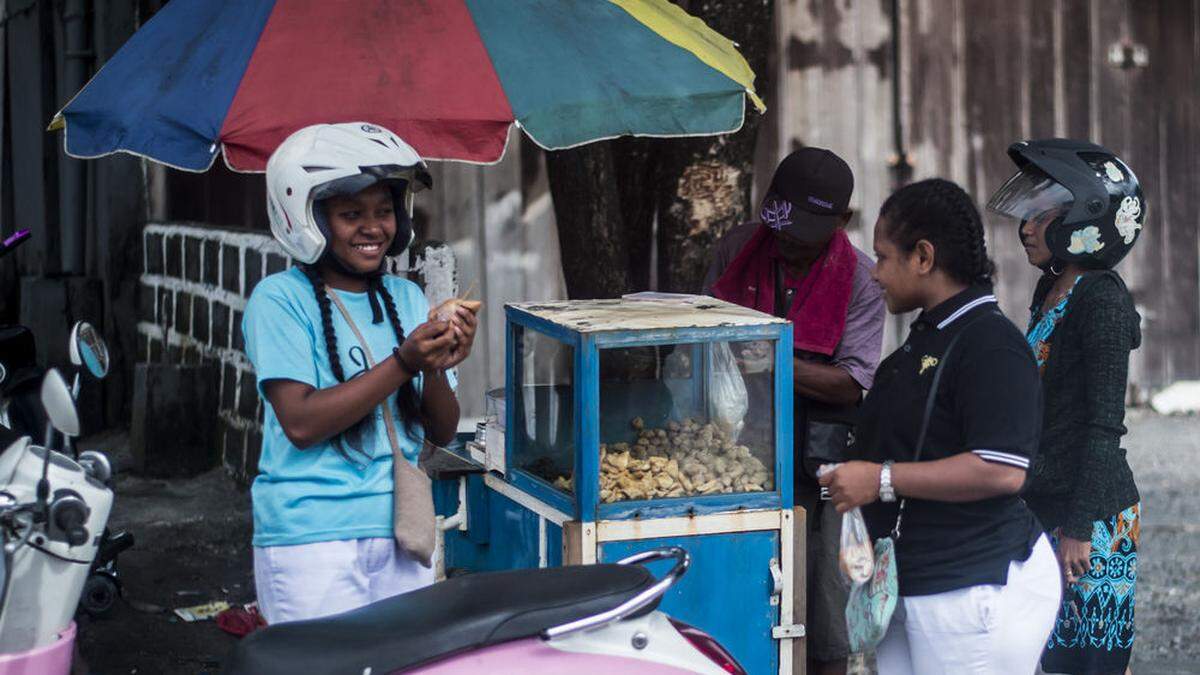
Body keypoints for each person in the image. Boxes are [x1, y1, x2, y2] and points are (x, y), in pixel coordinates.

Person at [821, 178, 1060, 674]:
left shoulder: (990, 345)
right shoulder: (931, 334)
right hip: (916, 581)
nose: (874, 274)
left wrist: (880, 479)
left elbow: (1000, 470)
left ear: (923, 257)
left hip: (971, 589)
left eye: (884, 257)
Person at [243, 123, 477, 625]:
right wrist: (403, 363)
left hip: (400, 529)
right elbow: (301, 424)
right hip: (309, 542)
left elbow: (440, 431)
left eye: (384, 211)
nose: (373, 228)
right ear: (306, 219)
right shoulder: (279, 301)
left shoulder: (407, 299)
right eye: (351, 214)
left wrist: (436, 366)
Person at [704, 147, 885, 675]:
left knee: (825, 612)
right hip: (734, 459)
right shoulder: (736, 251)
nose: (787, 242)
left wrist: (776, 362)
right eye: (781, 227)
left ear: (841, 223)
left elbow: (852, 384)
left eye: (803, 235)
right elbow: (701, 345)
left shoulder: (860, 281)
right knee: (743, 599)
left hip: (822, 462)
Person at [987, 139, 1143, 675]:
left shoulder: (1102, 300)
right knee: (1043, 655)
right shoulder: (1052, 288)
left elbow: (1103, 426)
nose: (1026, 227)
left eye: (1040, 214)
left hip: (1091, 517)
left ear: (1087, 218)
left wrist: (1079, 526)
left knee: (1089, 661)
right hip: (1048, 502)